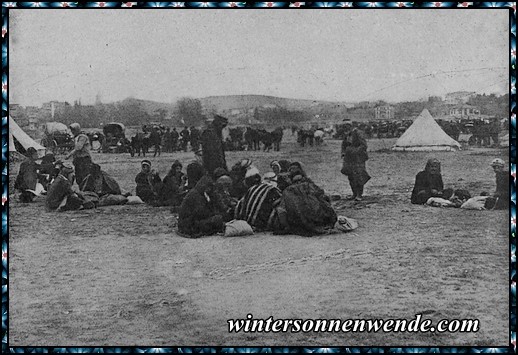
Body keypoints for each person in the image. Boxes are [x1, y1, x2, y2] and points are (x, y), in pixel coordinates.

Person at [273, 162, 337, 236]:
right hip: (323, 219)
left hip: (304, 222)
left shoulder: (288, 191)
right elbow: (325, 199)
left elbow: (282, 211)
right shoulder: (311, 185)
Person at [235, 167, 282, 231]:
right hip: (260, 226)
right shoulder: (274, 190)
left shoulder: (253, 188)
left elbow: (240, 204)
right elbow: (280, 209)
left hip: (245, 223)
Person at [341, 128, 371, 201]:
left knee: (359, 175)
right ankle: (354, 194)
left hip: (358, 158)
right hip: (349, 158)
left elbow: (364, 145)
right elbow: (343, 145)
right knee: (350, 176)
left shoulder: (358, 134)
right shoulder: (346, 135)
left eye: (347, 125)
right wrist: (343, 153)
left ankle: (359, 195)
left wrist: (356, 151)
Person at [65, 123, 92, 187]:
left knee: (85, 176)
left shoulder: (83, 137)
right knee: (78, 176)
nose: (72, 132)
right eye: (72, 131)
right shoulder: (76, 137)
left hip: (84, 159)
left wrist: (69, 155)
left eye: (74, 130)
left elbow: (78, 148)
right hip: (78, 159)